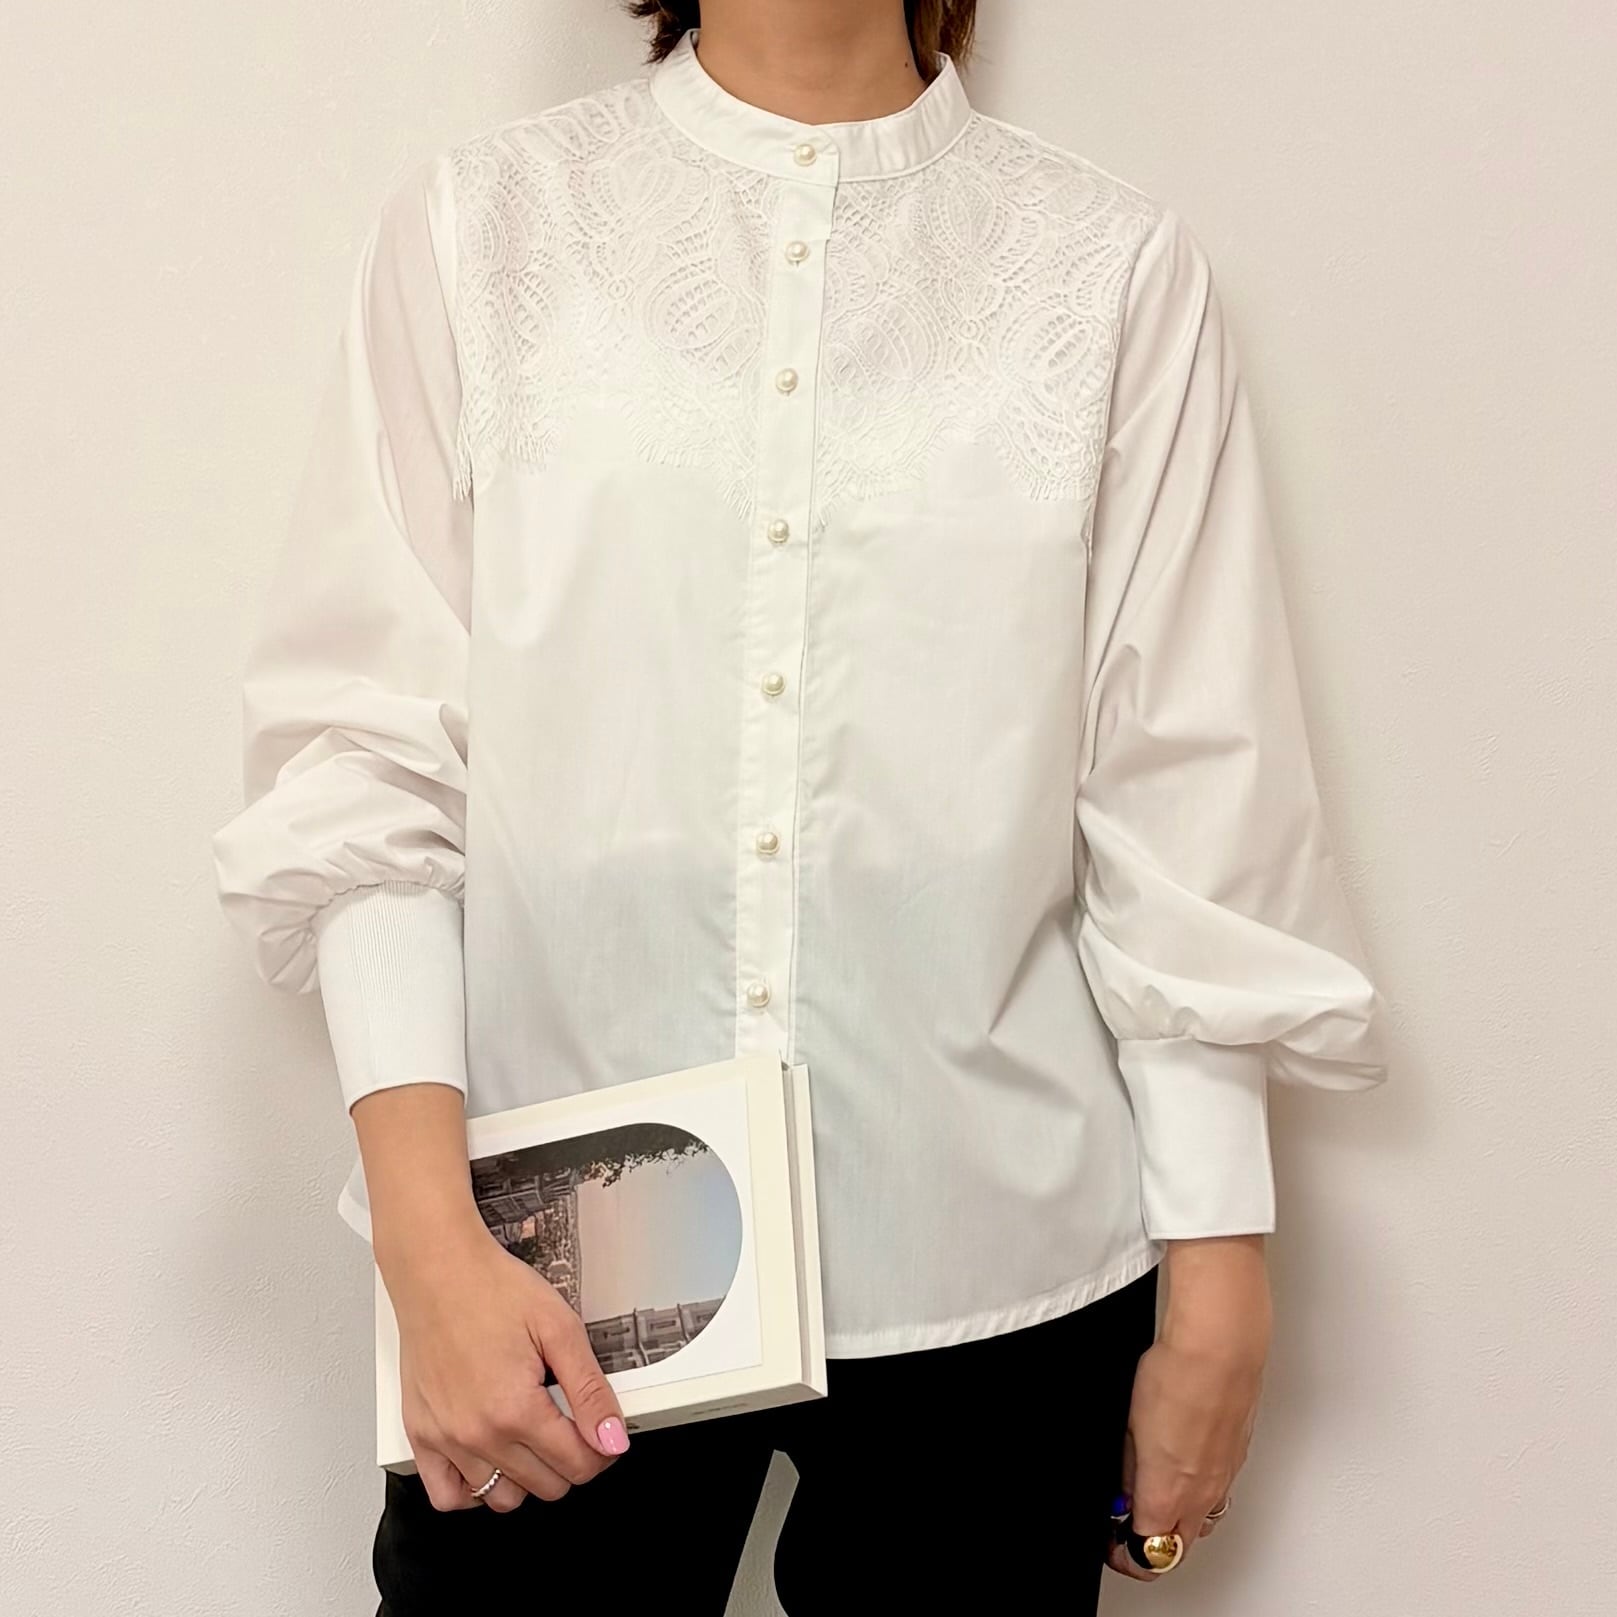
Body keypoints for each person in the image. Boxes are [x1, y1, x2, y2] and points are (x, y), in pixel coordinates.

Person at [211, 1, 1388, 1609]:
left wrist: (1220, 1277)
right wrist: (428, 1245)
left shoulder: (1109, 267)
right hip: (554, 1270)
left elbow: (1188, 785)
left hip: (996, 1269)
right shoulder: (481, 228)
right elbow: (365, 760)